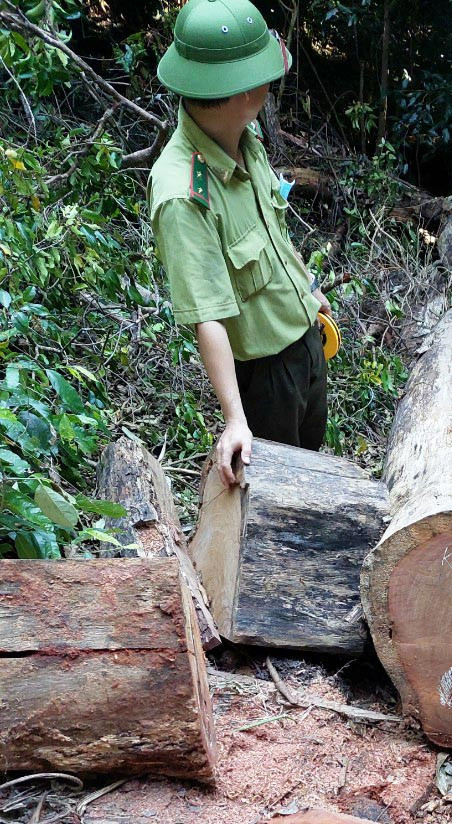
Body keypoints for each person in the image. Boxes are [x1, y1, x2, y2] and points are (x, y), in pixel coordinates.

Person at [148, 0, 332, 487]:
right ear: (246, 91)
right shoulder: (183, 193)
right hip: (266, 376)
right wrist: (235, 419)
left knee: (313, 475)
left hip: (305, 341)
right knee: (279, 502)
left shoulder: (243, 139)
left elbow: (272, 229)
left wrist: (306, 289)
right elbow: (207, 314)